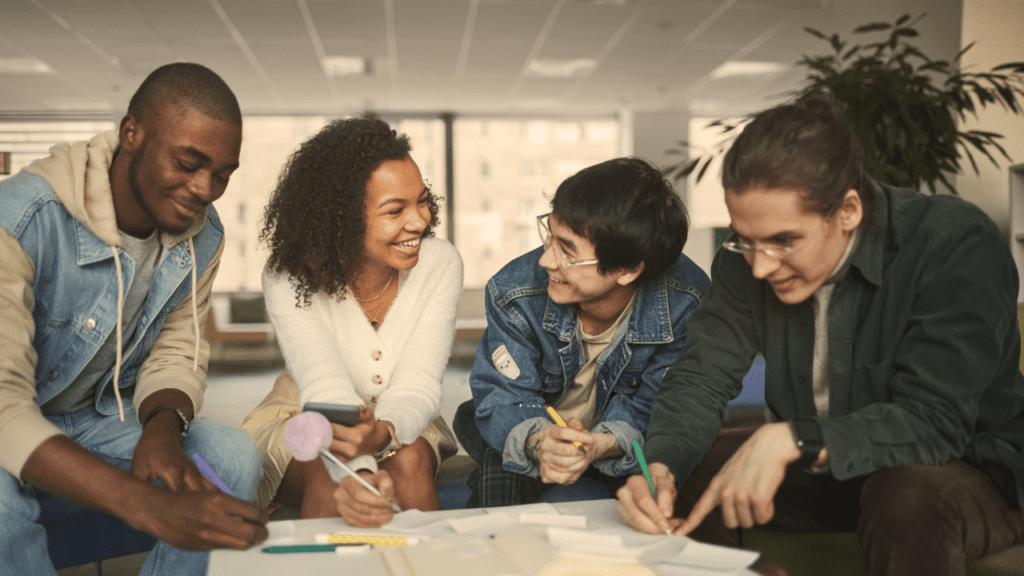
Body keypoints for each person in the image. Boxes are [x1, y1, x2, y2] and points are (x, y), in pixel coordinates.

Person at [616, 90, 1024, 576]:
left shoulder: (955, 243)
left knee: (903, 493)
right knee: (689, 465)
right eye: (746, 239)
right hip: (828, 471)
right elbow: (702, 377)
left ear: (848, 211)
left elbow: (936, 422)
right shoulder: (742, 258)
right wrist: (660, 467)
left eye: (784, 241)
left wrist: (793, 438)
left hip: (965, 470)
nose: (760, 266)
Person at [0, 63, 269, 576]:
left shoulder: (203, 234)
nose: (204, 189)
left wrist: (163, 429)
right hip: (10, 419)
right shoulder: (19, 220)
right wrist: (149, 506)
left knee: (229, 456)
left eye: (222, 175)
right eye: (188, 162)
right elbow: (4, 411)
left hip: (95, 420)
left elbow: (178, 350)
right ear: (132, 134)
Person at [241, 116, 462, 527]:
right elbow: (324, 382)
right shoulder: (288, 274)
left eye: (422, 200)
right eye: (395, 210)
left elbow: (418, 382)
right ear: (339, 218)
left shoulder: (439, 263)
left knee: (409, 460)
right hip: (304, 414)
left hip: (406, 411)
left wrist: (385, 432)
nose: (420, 221)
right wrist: (359, 471)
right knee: (331, 478)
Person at [453, 157, 710, 508]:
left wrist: (599, 446)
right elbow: (503, 396)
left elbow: (659, 409)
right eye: (550, 238)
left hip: (618, 436)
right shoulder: (514, 290)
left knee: (658, 487)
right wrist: (542, 442)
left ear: (627, 269)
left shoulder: (685, 300)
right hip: (532, 419)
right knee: (497, 461)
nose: (546, 261)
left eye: (568, 252)